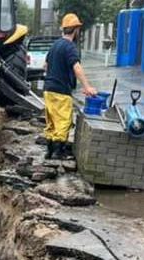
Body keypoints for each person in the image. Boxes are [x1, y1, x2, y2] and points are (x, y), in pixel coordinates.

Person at [43, 13, 98, 160]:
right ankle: (58, 152)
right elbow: (77, 67)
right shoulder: (70, 47)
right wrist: (87, 87)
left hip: (48, 89)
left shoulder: (55, 45)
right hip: (61, 91)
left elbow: (45, 65)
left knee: (52, 121)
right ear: (76, 30)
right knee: (63, 121)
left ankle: (49, 150)